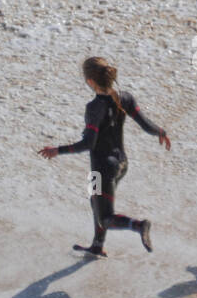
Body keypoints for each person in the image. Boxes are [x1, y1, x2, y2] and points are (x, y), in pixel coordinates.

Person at [39, 57, 171, 256]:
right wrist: (161, 131)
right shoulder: (125, 98)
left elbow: (88, 144)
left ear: (90, 81)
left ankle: (138, 225)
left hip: (101, 169)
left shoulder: (94, 107)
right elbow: (145, 124)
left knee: (105, 217)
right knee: (96, 203)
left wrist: (58, 150)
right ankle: (97, 246)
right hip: (121, 164)